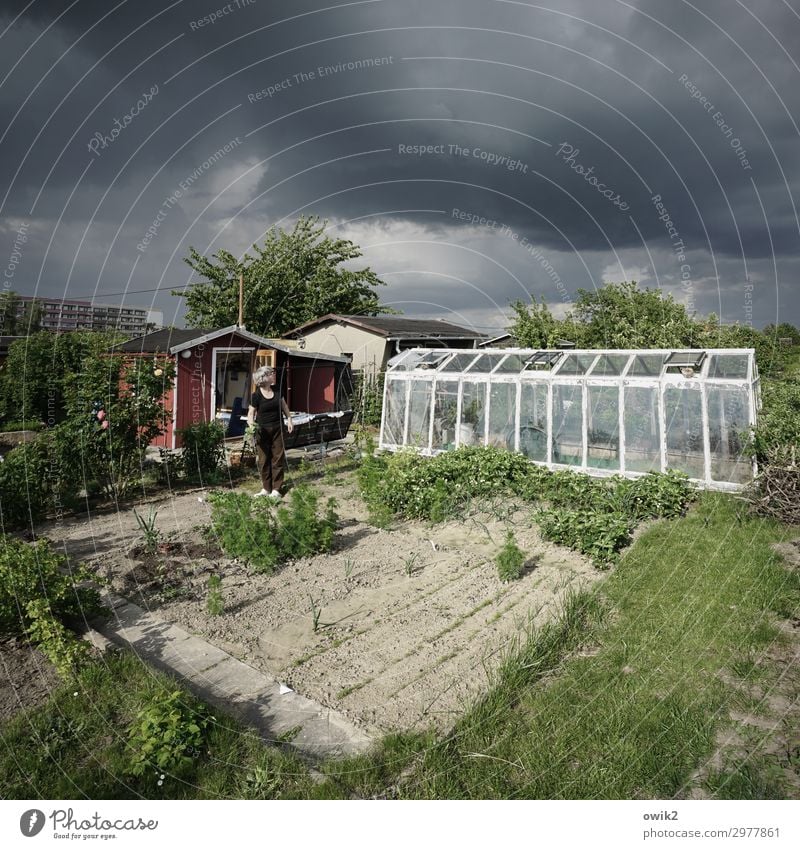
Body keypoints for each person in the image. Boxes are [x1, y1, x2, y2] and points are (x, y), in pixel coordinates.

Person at [246, 365, 294, 497]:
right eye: (270, 373)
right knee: (263, 460)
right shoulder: (256, 396)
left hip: (278, 428)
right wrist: (251, 426)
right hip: (262, 431)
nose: (273, 375)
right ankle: (266, 488)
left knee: (277, 458)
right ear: (263, 378)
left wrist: (289, 419)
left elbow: (284, 406)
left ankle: (276, 489)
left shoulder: (278, 391)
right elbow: (251, 414)